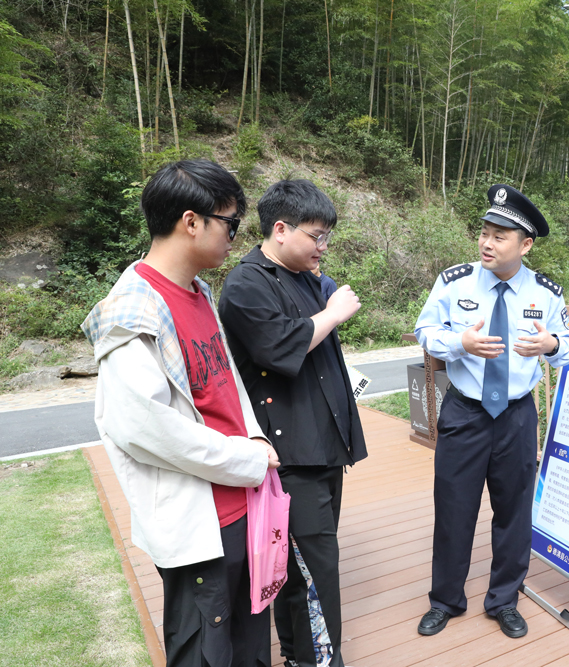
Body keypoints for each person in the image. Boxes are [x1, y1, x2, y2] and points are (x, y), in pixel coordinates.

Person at [81, 159, 280, 667]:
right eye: (230, 223)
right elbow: (146, 430)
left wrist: (254, 441)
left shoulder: (198, 292)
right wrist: (248, 459)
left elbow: (227, 384)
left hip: (244, 502)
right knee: (206, 652)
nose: (236, 236)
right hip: (199, 521)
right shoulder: (131, 311)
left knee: (251, 644)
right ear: (192, 222)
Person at [414, 184, 569, 639]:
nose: (487, 242)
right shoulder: (454, 282)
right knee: (453, 509)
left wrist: (550, 345)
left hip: (516, 417)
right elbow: (425, 330)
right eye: (485, 232)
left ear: (525, 245)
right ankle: (445, 600)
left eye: (500, 236)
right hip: (464, 413)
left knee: (513, 512)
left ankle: (504, 600)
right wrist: (460, 343)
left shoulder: (546, 293)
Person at [218, 179, 368, 667]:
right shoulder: (245, 283)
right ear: (280, 229)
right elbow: (279, 348)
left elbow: (327, 296)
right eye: (316, 236)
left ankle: (299, 657)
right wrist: (334, 313)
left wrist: (329, 299)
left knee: (301, 570)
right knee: (314, 570)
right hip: (289, 458)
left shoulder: (307, 274)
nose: (322, 247)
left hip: (325, 448)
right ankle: (322, 660)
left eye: (328, 238)